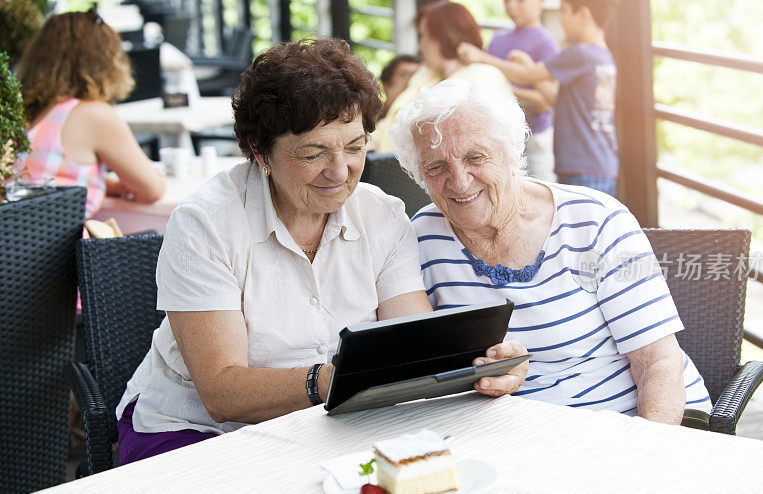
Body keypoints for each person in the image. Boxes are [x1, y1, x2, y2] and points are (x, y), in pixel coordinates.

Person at [115, 38, 527, 465]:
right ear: (260, 153)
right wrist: (334, 381)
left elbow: (412, 346)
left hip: (330, 427)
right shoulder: (206, 225)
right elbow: (222, 392)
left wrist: (484, 364)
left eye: (354, 147)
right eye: (313, 153)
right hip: (196, 430)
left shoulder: (382, 217)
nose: (339, 171)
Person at [391, 79, 712, 424]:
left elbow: (658, 362)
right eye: (436, 166)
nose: (459, 180)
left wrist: (648, 449)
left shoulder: (595, 220)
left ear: (510, 151)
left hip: (633, 423)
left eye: (475, 157)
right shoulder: (421, 237)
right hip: (516, 436)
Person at [14, 10, 165, 218]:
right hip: (61, 249)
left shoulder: (30, 115)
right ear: (103, 59)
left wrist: (106, 183)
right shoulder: (93, 115)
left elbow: (53, 179)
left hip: (16, 245)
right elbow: (152, 190)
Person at [460, 0, 619, 197]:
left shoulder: (580, 53)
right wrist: (529, 67)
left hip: (581, 165)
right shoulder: (603, 56)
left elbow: (525, 76)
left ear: (584, 15)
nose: (560, 19)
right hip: (600, 163)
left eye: (564, 12)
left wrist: (481, 58)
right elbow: (557, 100)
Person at [370, 1, 514, 153]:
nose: (420, 46)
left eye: (423, 36)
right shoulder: (426, 73)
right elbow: (392, 119)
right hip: (382, 159)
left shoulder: (482, 76)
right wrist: (371, 141)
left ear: (442, 37)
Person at [456, 0, 559, 182]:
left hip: (535, 135)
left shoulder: (547, 43)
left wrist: (505, 89)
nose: (511, 6)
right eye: (506, 0)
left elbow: (544, 102)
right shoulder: (498, 38)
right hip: (498, 135)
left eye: (520, 1)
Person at [378, 54, 422, 120]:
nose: (413, 80)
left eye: (416, 75)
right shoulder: (367, 120)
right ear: (386, 86)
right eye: (405, 75)